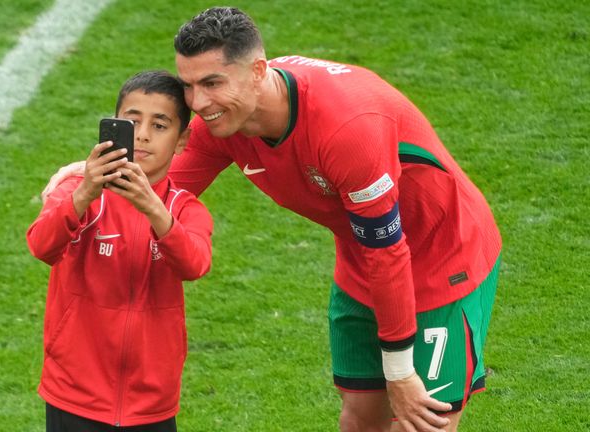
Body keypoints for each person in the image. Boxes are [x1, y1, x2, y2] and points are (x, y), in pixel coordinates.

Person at [42, 7, 502, 432]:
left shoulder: (347, 130)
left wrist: (400, 371)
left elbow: (389, 249)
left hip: (444, 257)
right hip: (364, 263)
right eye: (189, 85)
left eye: (213, 83)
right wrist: (91, 176)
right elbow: (160, 190)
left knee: (420, 425)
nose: (198, 104)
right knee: (360, 419)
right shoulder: (224, 122)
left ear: (259, 71)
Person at [27, 70, 213, 432]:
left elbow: (195, 264)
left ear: (181, 140)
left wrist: (152, 209)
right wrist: (83, 195)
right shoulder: (78, 193)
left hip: (152, 402)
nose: (143, 134)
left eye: (160, 125)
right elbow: (41, 245)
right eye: (133, 120)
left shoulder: (184, 208)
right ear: (115, 124)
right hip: (74, 394)